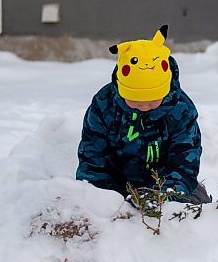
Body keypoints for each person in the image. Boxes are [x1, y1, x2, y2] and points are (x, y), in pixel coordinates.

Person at [76, 25, 210, 204]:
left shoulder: (180, 110)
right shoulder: (104, 105)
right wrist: (102, 199)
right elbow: (92, 159)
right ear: (122, 91)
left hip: (165, 186)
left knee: (195, 207)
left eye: (153, 101)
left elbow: (184, 163)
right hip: (116, 187)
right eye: (136, 102)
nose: (145, 107)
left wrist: (162, 198)